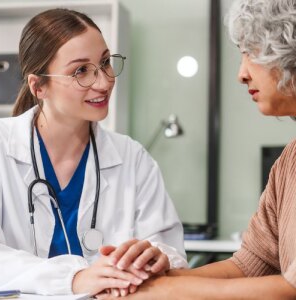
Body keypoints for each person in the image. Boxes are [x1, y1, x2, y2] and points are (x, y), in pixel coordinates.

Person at [0, 8, 187, 297]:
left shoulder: (133, 159)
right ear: (38, 86)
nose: (104, 82)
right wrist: (74, 278)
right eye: (81, 70)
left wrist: (157, 257)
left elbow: (169, 249)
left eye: (105, 63)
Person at [96, 0, 296, 298]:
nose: (241, 74)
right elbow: (250, 262)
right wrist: (147, 280)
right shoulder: (288, 162)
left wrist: (163, 289)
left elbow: (289, 289)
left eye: (250, 52)